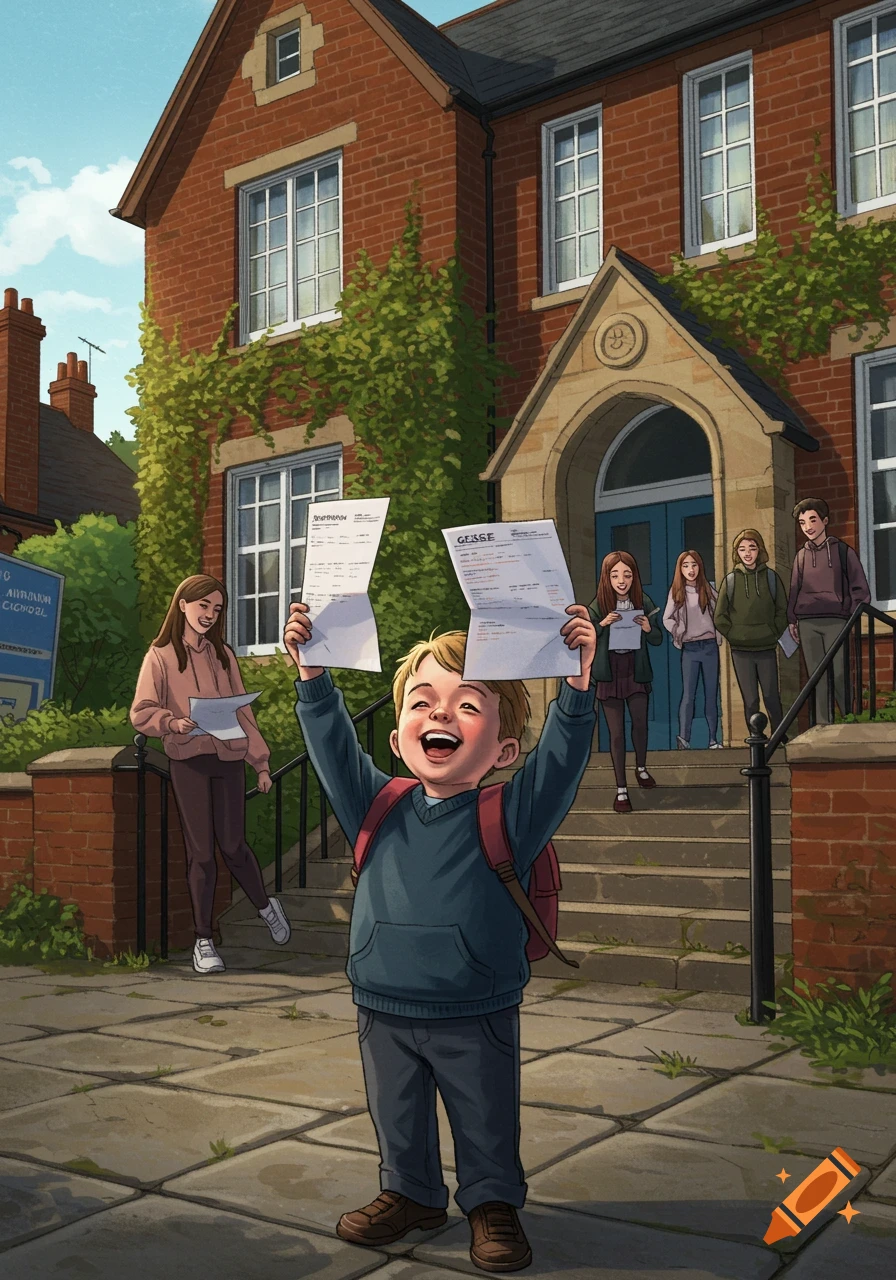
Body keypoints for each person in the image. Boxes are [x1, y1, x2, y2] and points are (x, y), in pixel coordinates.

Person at [282, 599, 597, 1275]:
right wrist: (312, 680)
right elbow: (333, 745)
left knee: (484, 1115)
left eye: (467, 706)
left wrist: (575, 690)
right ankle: (412, 1193)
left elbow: (561, 765)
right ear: (396, 738)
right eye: (422, 703)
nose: (440, 716)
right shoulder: (379, 803)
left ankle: (491, 1204)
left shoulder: (510, 812)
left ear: (505, 749)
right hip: (382, 997)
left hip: (472, 1002)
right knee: (396, 1112)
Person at [130, 574, 291, 974]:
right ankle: (203, 941)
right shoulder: (160, 656)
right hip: (189, 761)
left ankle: (265, 907)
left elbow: (243, 712)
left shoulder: (224, 655)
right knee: (201, 852)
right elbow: (141, 711)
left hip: (229, 758)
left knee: (234, 845)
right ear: (183, 604)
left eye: (217, 609)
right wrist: (171, 722)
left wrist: (261, 762)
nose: (209, 615)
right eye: (203, 606)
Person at [587, 550, 662, 813]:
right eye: (615, 574)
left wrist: (648, 629)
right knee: (616, 733)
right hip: (609, 672)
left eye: (627, 574)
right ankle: (621, 789)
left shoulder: (644, 600)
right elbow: (587, 636)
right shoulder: (597, 605)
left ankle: (641, 768)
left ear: (634, 577)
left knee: (639, 724)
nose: (621, 580)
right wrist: (602, 624)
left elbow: (658, 639)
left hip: (636, 669)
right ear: (606, 577)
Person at [787, 497, 871, 724]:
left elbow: (860, 590)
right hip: (807, 623)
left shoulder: (843, 551)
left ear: (824, 521)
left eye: (812, 520)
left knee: (841, 673)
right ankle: (823, 724)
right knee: (817, 677)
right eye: (802, 523)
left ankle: (849, 720)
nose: (808, 527)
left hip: (837, 620)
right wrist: (792, 619)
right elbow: (794, 590)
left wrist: (851, 616)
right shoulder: (801, 557)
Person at [713, 530, 788, 736]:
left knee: (772, 696)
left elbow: (782, 609)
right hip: (741, 650)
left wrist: (773, 632)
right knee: (750, 699)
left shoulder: (771, 578)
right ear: (737, 552)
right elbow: (719, 616)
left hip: (767, 647)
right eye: (742, 549)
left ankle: (779, 735)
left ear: (759, 550)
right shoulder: (730, 581)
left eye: (752, 548)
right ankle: (756, 739)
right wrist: (735, 635)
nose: (747, 553)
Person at [663, 549, 724, 749]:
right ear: (680, 569)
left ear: (700, 566)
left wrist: (720, 633)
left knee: (710, 694)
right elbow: (666, 618)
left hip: (709, 647)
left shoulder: (708, 589)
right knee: (688, 695)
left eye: (694, 565)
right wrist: (677, 629)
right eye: (686, 565)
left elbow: (721, 613)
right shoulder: (676, 591)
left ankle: (713, 739)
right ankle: (684, 738)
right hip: (689, 649)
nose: (690, 569)